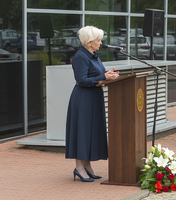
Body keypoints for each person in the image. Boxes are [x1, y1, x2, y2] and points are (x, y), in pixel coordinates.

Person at [65, 26, 119, 182]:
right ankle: (79, 167)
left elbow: (96, 75)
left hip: (94, 97)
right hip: (83, 99)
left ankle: (87, 165)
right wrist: (103, 77)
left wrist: (109, 75)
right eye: (98, 40)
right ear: (89, 42)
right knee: (82, 132)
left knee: (91, 131)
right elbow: (82, 80)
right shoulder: (81, 57)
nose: (100, 43)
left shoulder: (93, 55)